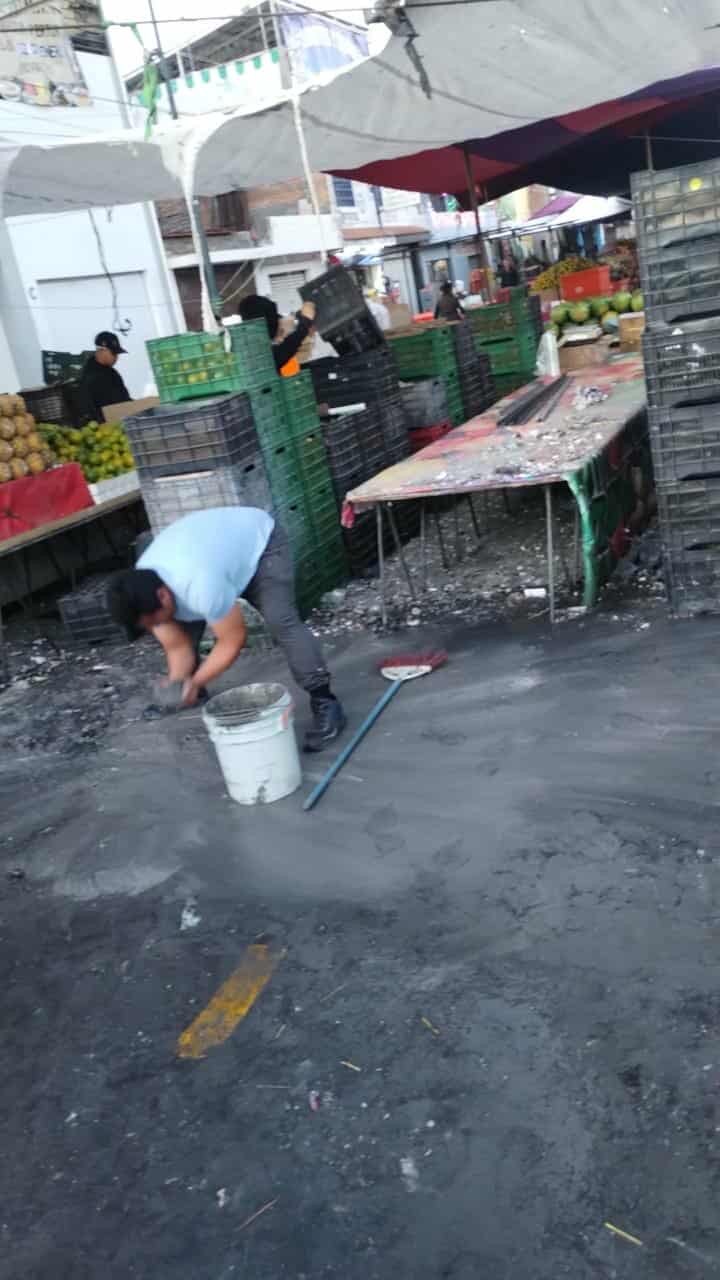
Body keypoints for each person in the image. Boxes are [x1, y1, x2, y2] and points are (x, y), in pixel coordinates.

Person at [106, 507, 346, 753]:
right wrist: (179, 684)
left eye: (153, 622)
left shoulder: (199, 585)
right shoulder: (143, 587)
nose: (154, 628)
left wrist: (196, 680)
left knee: (280, 620)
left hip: (260, 544)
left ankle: (325, 701)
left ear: (163, 596)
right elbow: (177, 645)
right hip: (215, 556)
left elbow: (232, 639)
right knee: (181, 628)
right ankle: (192, 693)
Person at [238, 294, 316, 376]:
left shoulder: (261, 329)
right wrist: (304, 326)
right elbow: (280, 355)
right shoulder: (254, 346)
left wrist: (301, 320)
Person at [77, 331, 131, 422]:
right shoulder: (92, 376)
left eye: (117, 354)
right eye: (113, 353)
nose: (116, 357)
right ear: (101, 350)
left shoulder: (111, 372)